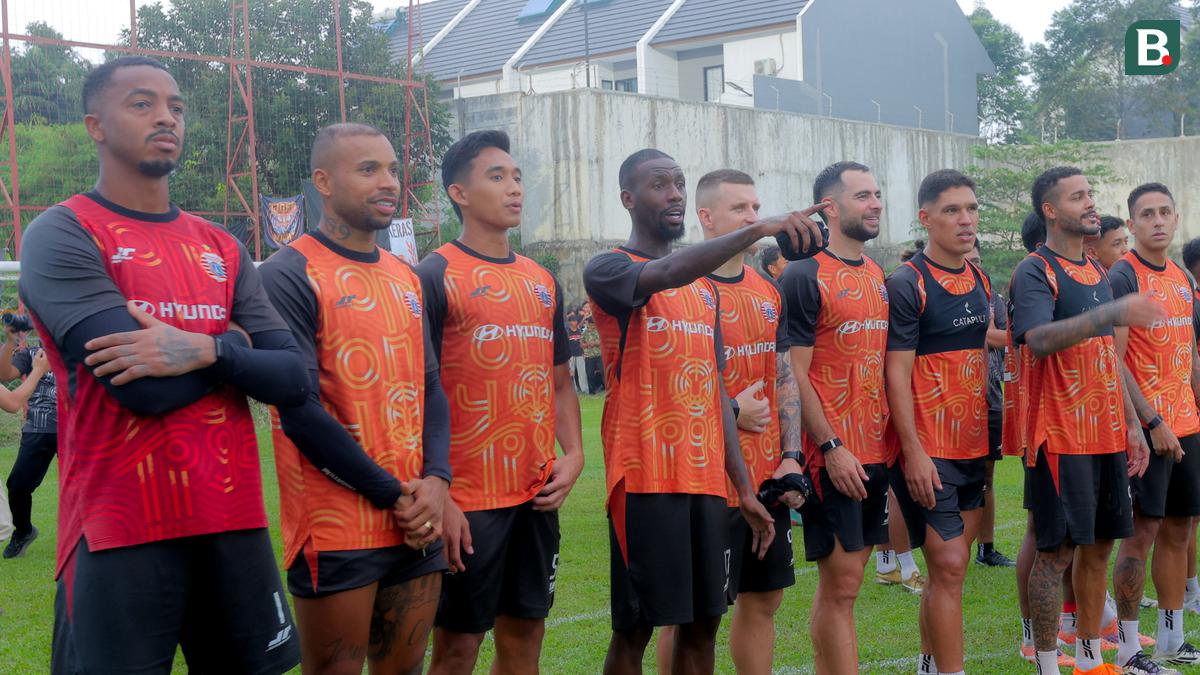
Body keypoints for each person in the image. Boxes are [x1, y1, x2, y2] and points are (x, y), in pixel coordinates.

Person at [19, 55, 307, 673]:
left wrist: (203, 350)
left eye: (175, 106)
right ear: (96, 125)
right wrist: (238, 351)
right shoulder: (63, 233)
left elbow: (295, 377)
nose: (166, 117)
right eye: (142, 103)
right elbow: (138, 392)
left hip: (232, 519)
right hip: (118, 526)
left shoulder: (220, 245)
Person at [584, 148, 822, 675]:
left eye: (678, 183)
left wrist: (741, 487)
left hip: (708, 482)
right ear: (628, 199)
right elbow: (664, 271)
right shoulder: (609, 268)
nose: (672, 193)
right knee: (636, 630)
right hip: (645, 479)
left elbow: (716, 393)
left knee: (703, 627)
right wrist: (759, 228)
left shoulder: (702, 291)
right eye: (658, 185)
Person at [259, 122, 451, 674]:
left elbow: (431, 387)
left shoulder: (406, 276)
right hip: (338, 522)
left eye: (391, 169)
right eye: (368, 170)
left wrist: (436, 481)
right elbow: (299, 412)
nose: (388, 181)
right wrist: (394, 494)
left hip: (417, 515)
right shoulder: (288, 273)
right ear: (323, 180)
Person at [418, 129, 585, 674]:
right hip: (466, 499)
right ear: (458, 193)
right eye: (497, 177)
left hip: (535, 494)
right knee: (459, 646)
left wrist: (575, 453)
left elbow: (560, 380)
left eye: (516, 177)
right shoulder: (434, 274)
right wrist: (440, 493)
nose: (514, 188)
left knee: (526, 636)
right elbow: (418, 390)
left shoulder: (541, 279)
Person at [654, 169, 806, 675]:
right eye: (740, 209)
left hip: (764, 477)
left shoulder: (768, 288)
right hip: (704, 482)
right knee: (692, 616)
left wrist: (790, 455)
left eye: (755, 207)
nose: (753, 217)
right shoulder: (681, 286)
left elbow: (782, 373)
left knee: (764, 601)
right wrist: (732, 411)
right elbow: (664, 382)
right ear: (706, 216)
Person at [1011, 166, 1159, 675]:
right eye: (1078, 197)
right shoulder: (1036, 270)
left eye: (1091, 193)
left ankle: (1092, 661)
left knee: (1099, 549)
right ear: (1051, 211)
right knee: (1056, 553)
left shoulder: (1096, 271)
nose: (1090, 203)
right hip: (1060, 436)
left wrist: (1134, 427)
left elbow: (1106, 358)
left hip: (1105, 436)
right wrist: (1111, 312)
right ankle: (1049, 664)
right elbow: (1039, 339)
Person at [778, 161, 892, 673]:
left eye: (877, 194)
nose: (875, 204)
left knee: (854, 579)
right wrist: (829, 446)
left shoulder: (876, 274)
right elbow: (794, 374)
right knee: (841, 583)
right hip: (834, 456)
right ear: (830, 207)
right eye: (863, 195)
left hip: (876, 450)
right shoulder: (804, 276)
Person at [886, 170, 991, 675]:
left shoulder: (979, 278)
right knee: (948, 566)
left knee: (950, 571)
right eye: (952, 210)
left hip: (974, 444)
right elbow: (896, 373)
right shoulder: (908, 283)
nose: (966, 219)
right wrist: (913, 451)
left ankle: (929, 665)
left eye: (970, 208)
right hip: (930, 449)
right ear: (926, 218)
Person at [1107, 182, 1200, 673]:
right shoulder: (1124, 275)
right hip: (1151, 430)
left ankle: (1172, 638)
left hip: (1187, 423)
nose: (1158, 221)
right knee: (1141, 534)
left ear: (1177, 218)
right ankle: (1127, 649)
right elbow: (1114, 361)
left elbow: (1187, 357)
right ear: (1133, 223)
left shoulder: (1183, 278)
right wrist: (1148, 421)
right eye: (1147, 214)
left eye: (1165, 211)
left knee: (1181, 531)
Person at [967, 240, 1016, 568]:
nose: (975, 265)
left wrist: (981, 330)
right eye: (969, 260)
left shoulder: (993, 299)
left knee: (987, 476)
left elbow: (1007, 337)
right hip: (952, 401)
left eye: (978, 259)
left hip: (990, 397)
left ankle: (987, 549)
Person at [1, 320, 57, 559]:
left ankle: (89, 536)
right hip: (39, 429)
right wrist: (11, 340)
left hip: (77, 428)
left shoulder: (80, 352)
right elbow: (4, 375)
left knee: (86, 484)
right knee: (18, 486)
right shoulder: (33, 354)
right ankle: (23, 531)